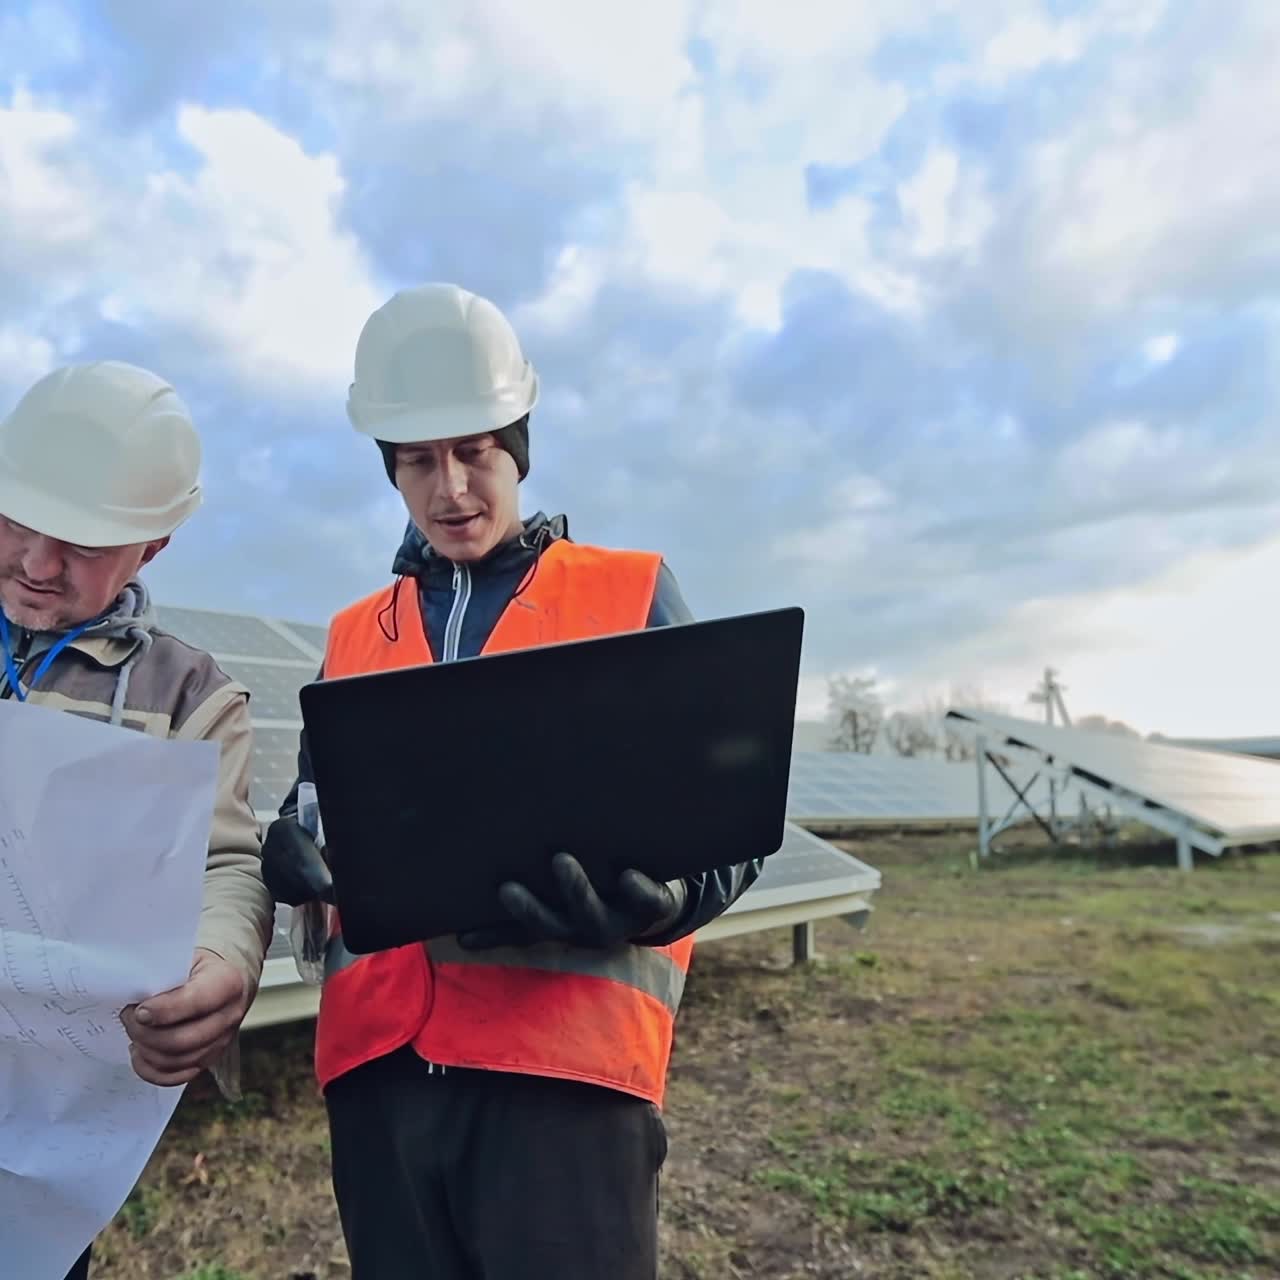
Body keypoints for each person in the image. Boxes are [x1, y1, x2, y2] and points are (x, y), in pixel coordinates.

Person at [261, 283, 763, 1280]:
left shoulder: (625, 593)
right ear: (390, 469)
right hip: (381, 1086)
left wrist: (671, 897)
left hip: (564, 1089)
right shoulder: (357, 633)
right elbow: (321, 804)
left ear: (517, 447)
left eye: (474, 451)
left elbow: (727, 819)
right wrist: (292, 840)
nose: (448, 486)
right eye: (416, 461)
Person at [0, 361, 276, 1280]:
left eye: (82, 543)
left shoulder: (189, 696)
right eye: (20, 521)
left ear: (152, 545)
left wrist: (221, 964)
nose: (39, 563)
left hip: (36, 1145)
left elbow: (226, 866)